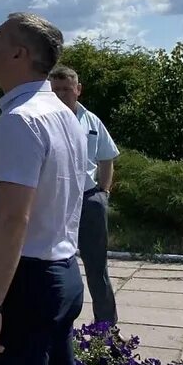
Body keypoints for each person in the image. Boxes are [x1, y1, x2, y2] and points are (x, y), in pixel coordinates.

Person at [0, 13, 87, 365]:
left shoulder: (20, 122)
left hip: (27, 284)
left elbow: (11, 219)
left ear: (19, 53)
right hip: (61, 272)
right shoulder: (63, 115)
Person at [47, 65, 120, 325]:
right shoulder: (43, 120)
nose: (61, 95)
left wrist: (104, 193)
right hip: (55, 202)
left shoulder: (91, 121)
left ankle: (106, 328)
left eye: (66, 89)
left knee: (97, 268)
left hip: (89, 200)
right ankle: (56, 326)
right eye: (55, 90)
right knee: (53, 266)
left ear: (78, 90)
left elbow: (107, 157)